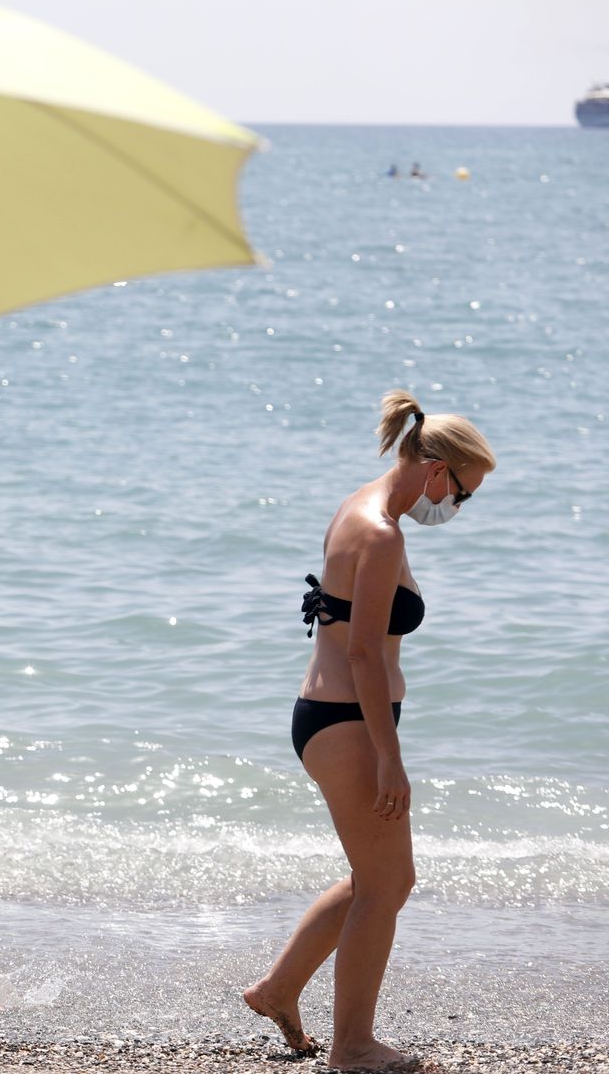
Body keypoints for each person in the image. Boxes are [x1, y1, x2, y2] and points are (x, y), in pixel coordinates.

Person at [243, 390, 495, 1071]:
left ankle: (278, 989)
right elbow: (361, 655)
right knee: (389, 883)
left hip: (335, 715)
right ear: (436, 470)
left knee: (374, 877)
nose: (458, 507)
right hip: (348, 720)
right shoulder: (381, 533)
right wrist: (391, 758)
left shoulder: (361, 506)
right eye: (462, 494)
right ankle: (352, 1046)